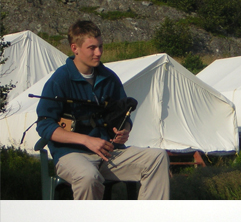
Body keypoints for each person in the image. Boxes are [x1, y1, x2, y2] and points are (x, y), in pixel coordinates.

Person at [36, 19, 170, 200]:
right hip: (71, 155)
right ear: (75, 48)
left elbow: (123, 116)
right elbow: (44, 126)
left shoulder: (109, 78)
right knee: (88, 177)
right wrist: (87, 140)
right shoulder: (59, 80)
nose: (98, 53)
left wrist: (125, 130)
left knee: (158, 157)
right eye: (92, 48)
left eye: (100, 46)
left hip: (109, 153)